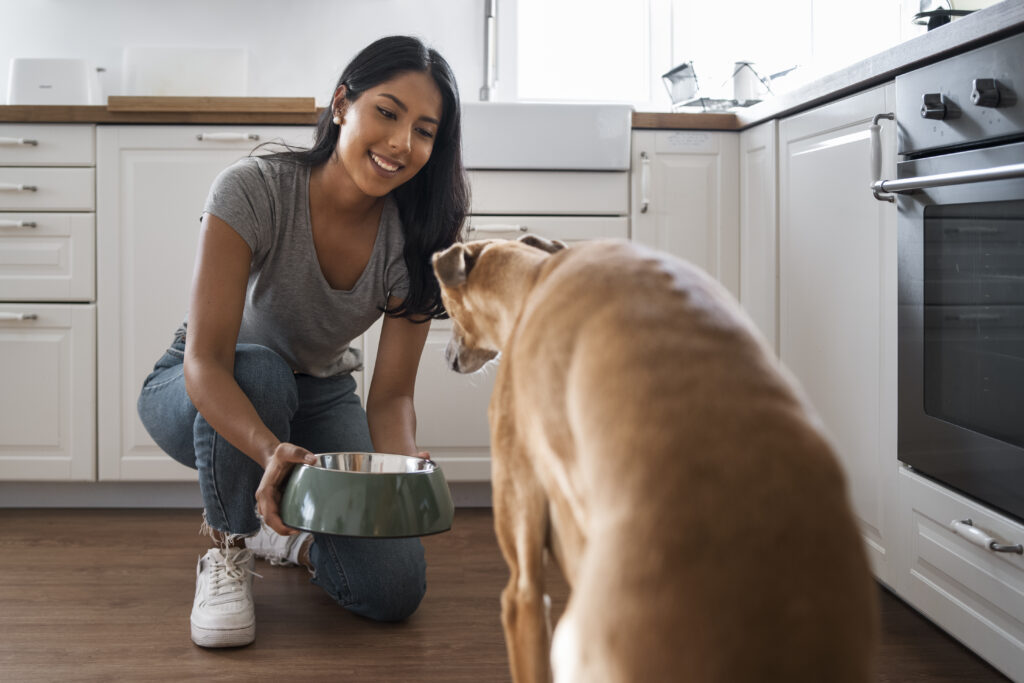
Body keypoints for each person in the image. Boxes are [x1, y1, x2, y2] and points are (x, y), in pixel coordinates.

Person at [136, 35, 469, 648]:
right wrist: (270, 449)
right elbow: (207, 362)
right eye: (388, 112)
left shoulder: (417, 241)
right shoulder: (253, 189)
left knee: (394, 590)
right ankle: (228, 547)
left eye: (424, 131)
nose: (402, 143)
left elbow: (392, 396)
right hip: (199, 388)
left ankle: (284, 538)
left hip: (319, 396)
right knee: (259, 369)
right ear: (343, 104)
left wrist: (402, 469)